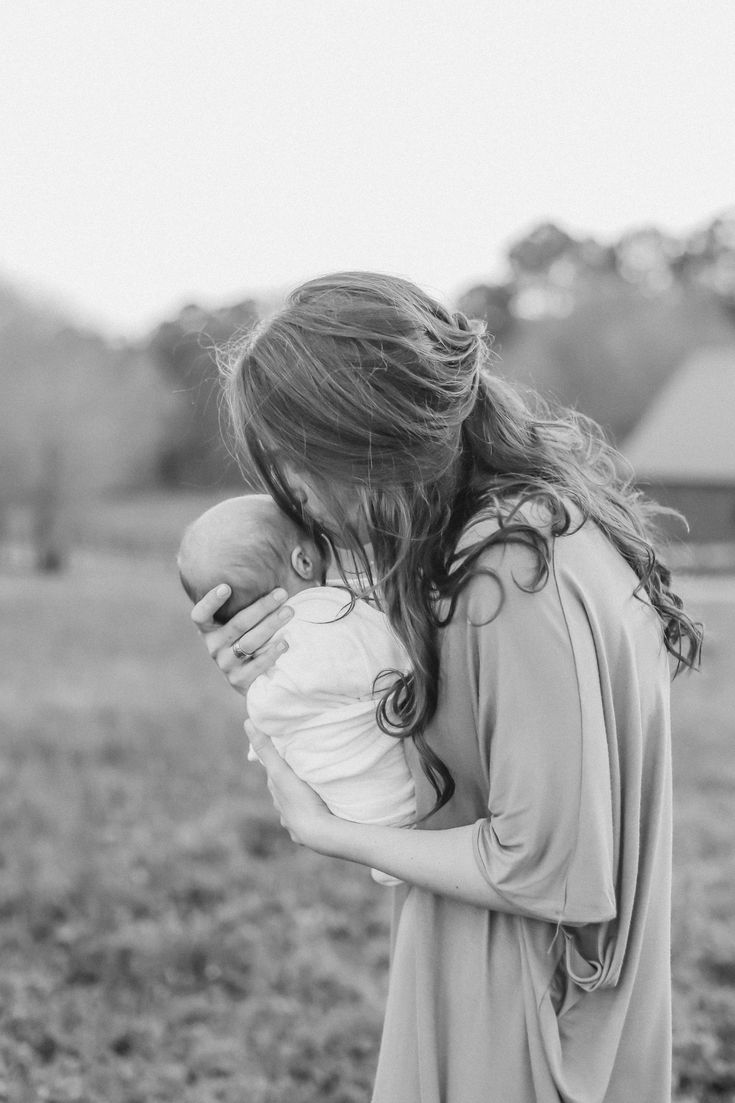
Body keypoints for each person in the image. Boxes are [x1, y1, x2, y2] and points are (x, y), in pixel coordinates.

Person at [189, 272, 702, 1103]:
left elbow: (551, 868)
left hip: (522, 1018)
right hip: (509, 982)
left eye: (293, 464)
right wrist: (295, 669)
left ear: (366, 433)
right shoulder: (523, 528)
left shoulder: (507, 573)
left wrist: (325, 829)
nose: (294, 501)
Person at [177, 493, 415, 884]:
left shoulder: (265, 666)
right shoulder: (338, 618)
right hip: (409, 807)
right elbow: (401, 648)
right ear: (304, 561)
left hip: (357, 819)